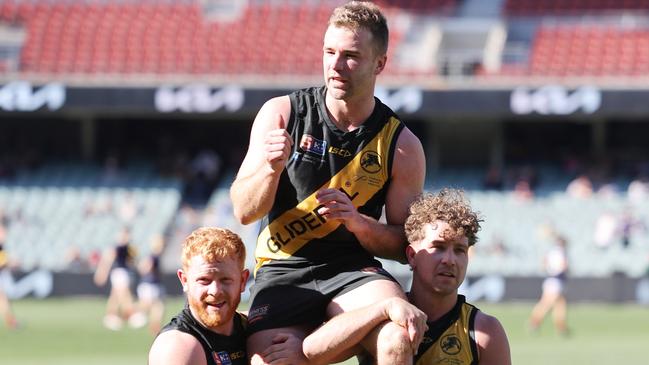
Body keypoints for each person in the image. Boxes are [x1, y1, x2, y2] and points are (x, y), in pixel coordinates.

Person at [229, 1, 426, 363]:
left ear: (380, 63)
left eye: (350, 55)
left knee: (399, 336)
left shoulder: (401, 145)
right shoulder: (282, 113)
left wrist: (358, 224)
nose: (335, 66)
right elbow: (243, 210)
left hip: (352, 271)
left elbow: (404, 246)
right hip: (281, 269)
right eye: (329, 52)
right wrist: (270, 170)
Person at [291, 188, 511, 365]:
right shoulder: (381, 313)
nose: (450, 260)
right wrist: (382, 309)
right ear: (412, 256)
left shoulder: (483, 331)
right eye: (438, 247)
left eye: (460, 250)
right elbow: (312, 350)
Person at [148, 227, 302, 365]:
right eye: (204, 280)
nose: (215, 291)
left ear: (242, 281)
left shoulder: (254, 326)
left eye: (225, 280)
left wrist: (302, 350)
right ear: (184, 280)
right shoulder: (177, 347)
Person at [93, 227, 142, 330]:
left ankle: (111, 316)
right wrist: (102, 273)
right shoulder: (118, 247)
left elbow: (132, 261)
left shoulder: (128, 248)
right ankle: (131, 315)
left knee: (115, 296)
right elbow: (108, 260)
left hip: (122, 272)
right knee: (125, 294)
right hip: (119, 273)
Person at [528, 225, 570, 336]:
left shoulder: (552, 251)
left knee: (560, 304)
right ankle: (534, 323)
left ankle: (561, 327)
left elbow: (544, 263)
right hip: (556, 280)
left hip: (551, 279)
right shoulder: (561, 252)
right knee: (547, 304)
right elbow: (564, 266)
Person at [136, 234, 166, 334]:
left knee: (157, 307)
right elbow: (145, 267)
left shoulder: (155, 256)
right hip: (150, 285)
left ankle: (155, 327)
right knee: (155, 306)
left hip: (151, 285)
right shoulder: (153, 256)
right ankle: (133, 315)